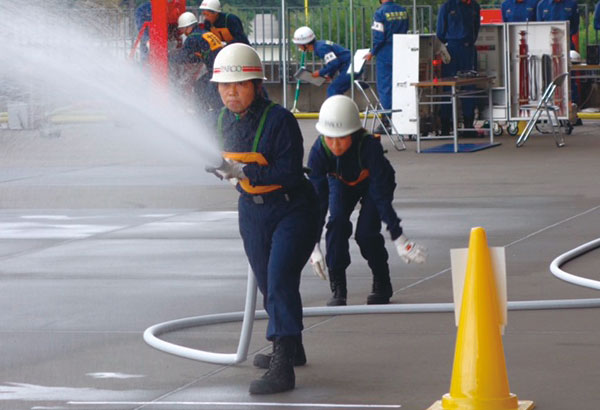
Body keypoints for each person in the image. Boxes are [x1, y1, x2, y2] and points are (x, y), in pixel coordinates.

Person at [206, 43, 319, 394]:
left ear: (256, 84)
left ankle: (283, 366)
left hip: (292, 208)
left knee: (280, 277)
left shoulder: (279, 120)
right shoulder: (221, 119)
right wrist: (219, 168)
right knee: (270, 285)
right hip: (252, 211)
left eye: (239, 84)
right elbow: (218, 159)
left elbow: (287, 172)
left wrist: (243, 169)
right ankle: (293, 346)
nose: (230, 92)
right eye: (225, 85)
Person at [307, 95, 427, 307]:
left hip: (373, 182)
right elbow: (318, 202)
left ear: (353, 133)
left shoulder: (369, 147)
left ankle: (382, 281)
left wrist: (399, 238)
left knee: (366, 233)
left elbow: (381, 197)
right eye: (329, 138)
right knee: (336, 224)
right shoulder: (318, 153)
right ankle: (338, 285)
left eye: (342, 138)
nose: (335, 145)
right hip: (341, 182)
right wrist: (313, 245)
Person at [436, 0, 481, 137]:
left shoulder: (474, 6)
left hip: (468, 50)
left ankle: (468, 125)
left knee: (469, 88)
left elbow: (476, 28)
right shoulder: (447, 7)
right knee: (448, 88)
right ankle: (446, 125)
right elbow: (440, 32)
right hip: (452, 50)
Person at [364, 0, 409, 134]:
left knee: (385, 87)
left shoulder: (380, 13)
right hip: (401, 50)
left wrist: (372, 52)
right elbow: (406, 30)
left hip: (385, 52)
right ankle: (403, 119)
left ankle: (387, 121)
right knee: (402, 85)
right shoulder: (403, 10)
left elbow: (379, 37)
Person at [171, 11, 223, 113]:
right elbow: (200, 56)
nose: (183, 32)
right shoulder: (204, 33)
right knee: (200, 86)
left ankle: (205, 116)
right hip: (220, 68)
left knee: (211, 93)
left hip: (216, 71)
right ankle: (206, 113)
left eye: (183, 29)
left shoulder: (192, 38)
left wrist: (167, 57)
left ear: (189, 27)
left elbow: (184, 57)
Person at [292, 26, 358, 98]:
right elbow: (334, 62)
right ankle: (341, 108)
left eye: (298, 45)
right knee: (336, 89)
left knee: (333, 89)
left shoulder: (321, 48)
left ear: (306, 44)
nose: (298, 47)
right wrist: (330, 75)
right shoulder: (320, 45)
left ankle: (336, 109)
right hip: (352, 64)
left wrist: (320, 72)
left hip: (351, 66)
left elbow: (334, 63)